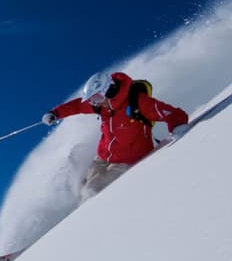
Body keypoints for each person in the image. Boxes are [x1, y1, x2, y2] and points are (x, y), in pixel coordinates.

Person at [42, 71, 189, 201]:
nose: (95, 103)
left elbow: (173, 114)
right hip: (103, 157)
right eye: (92, 100)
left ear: (109, 90)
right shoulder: (102, 106)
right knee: (82, 185)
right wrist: (56, 113)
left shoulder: (138, 102)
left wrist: (177, 126)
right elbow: (78, 106)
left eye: (97, 98)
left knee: (91, 191)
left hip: (127, 161)